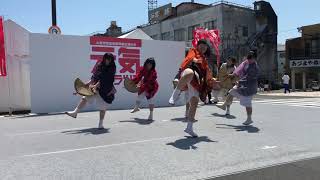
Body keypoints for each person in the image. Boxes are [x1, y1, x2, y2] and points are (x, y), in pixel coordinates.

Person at [169, 39, 213, 137]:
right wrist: (194, 60)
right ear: (198, 46)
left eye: (205, 46)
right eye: (201, 45)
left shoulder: (205, 59)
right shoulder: (193, 51)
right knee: (189, 73)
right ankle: (174, 96)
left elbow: (206, 74)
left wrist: (211, 81)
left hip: (196, 81)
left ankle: (189, 128)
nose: (203, 47)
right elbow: (190, 57)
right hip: (189, 70)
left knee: (194, 103)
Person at [66, 53, 117, 129]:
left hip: (105, 89)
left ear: (111, 60)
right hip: (94, 87)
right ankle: (75, 112)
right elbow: (94, 77)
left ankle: (101, 124)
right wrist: (86, 84)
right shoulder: (100, 65)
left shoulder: (112, 67)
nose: (107, 61)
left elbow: (106, 79)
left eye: (109, 59)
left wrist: (96, 85)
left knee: (102, 108)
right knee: (84, 98)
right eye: (106, 59)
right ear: (104, 58)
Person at [217, 51, 259, 126]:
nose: (249, 60)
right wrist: (233, 74)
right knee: (232, 91)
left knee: (247, 104)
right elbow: (239, 69)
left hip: (249, 86)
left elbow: (249, 77)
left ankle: (249, 119)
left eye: (251, 59)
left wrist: (239, 81)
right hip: (242, 84)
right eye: (248, 58)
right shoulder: (246, 62)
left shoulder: (254, 67)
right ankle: (224, 105)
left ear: (255, 59)